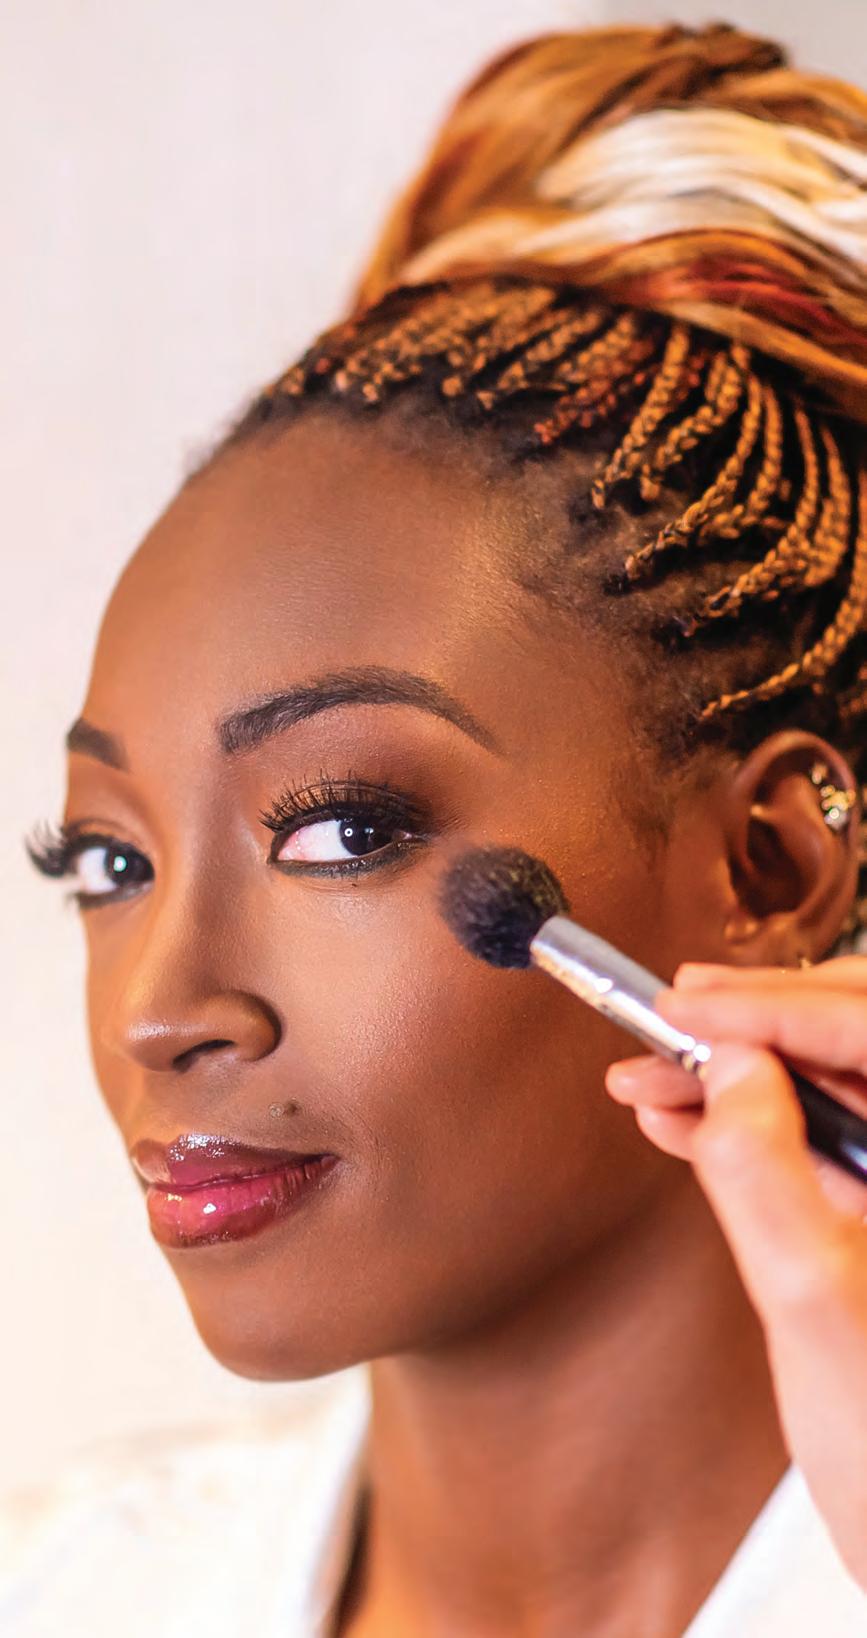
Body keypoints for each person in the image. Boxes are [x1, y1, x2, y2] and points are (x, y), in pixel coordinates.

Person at [4, 19, 867, 1637]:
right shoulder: (71, 1590)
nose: (158, 1011)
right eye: (110, 862)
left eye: (340, 830)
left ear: (773, 864)